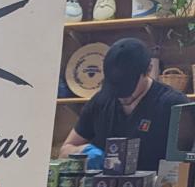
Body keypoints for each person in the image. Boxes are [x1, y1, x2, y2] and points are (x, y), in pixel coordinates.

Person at [60, 37, 187, 171]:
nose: (122, 96)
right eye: (115, 87)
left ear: (148, 70)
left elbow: (187, 164)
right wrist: (83, 152)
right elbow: (65, 151)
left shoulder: (173, 105)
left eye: (127, 87)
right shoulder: (99, 102)